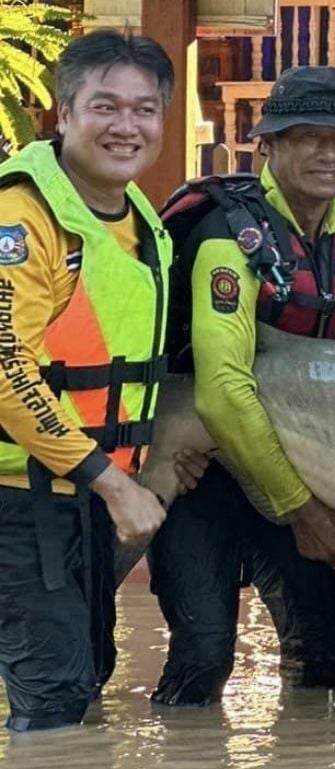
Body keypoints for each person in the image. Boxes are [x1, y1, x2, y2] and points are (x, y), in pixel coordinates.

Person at [147, 65, 335, 707]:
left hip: (295, 461)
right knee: (204, 653)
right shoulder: (229, 235)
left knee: (327, 647)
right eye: (306, 136)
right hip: (201, 468)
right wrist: (302, 510)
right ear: (269, 145)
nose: (327, 153)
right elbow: (223, 388)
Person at [0, 30, 174, 731]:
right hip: (20, 503)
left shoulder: (139, 220)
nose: (126, 126)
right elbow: (6, 371)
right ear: (64, 114)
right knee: (55, 702)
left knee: (85, 680)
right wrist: (114, 482)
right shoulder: (22, 217)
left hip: (81, 502)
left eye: (144, 109)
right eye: (105, 106)